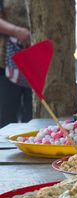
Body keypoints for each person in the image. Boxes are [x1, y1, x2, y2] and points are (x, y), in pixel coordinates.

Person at [0, 0, 32, 128]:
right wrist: (16, 31)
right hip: (5, 60)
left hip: (36, 59)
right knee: (7, 113)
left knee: (33, 113)